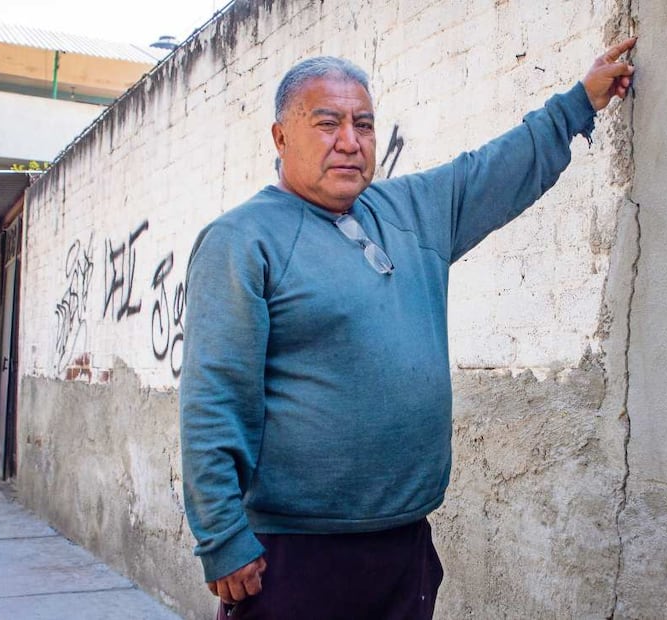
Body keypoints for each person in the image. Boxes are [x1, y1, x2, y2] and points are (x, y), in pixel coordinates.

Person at [180, 37, 636, 619]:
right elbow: (215, 396)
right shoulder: (242, 239)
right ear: (281, 137)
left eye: (364, 125)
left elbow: (495, 168)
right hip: (293, 553)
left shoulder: (410, 211)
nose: (350, 141)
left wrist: (580, 102)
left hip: (403, 545)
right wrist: (221, 538)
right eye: (328, 124)